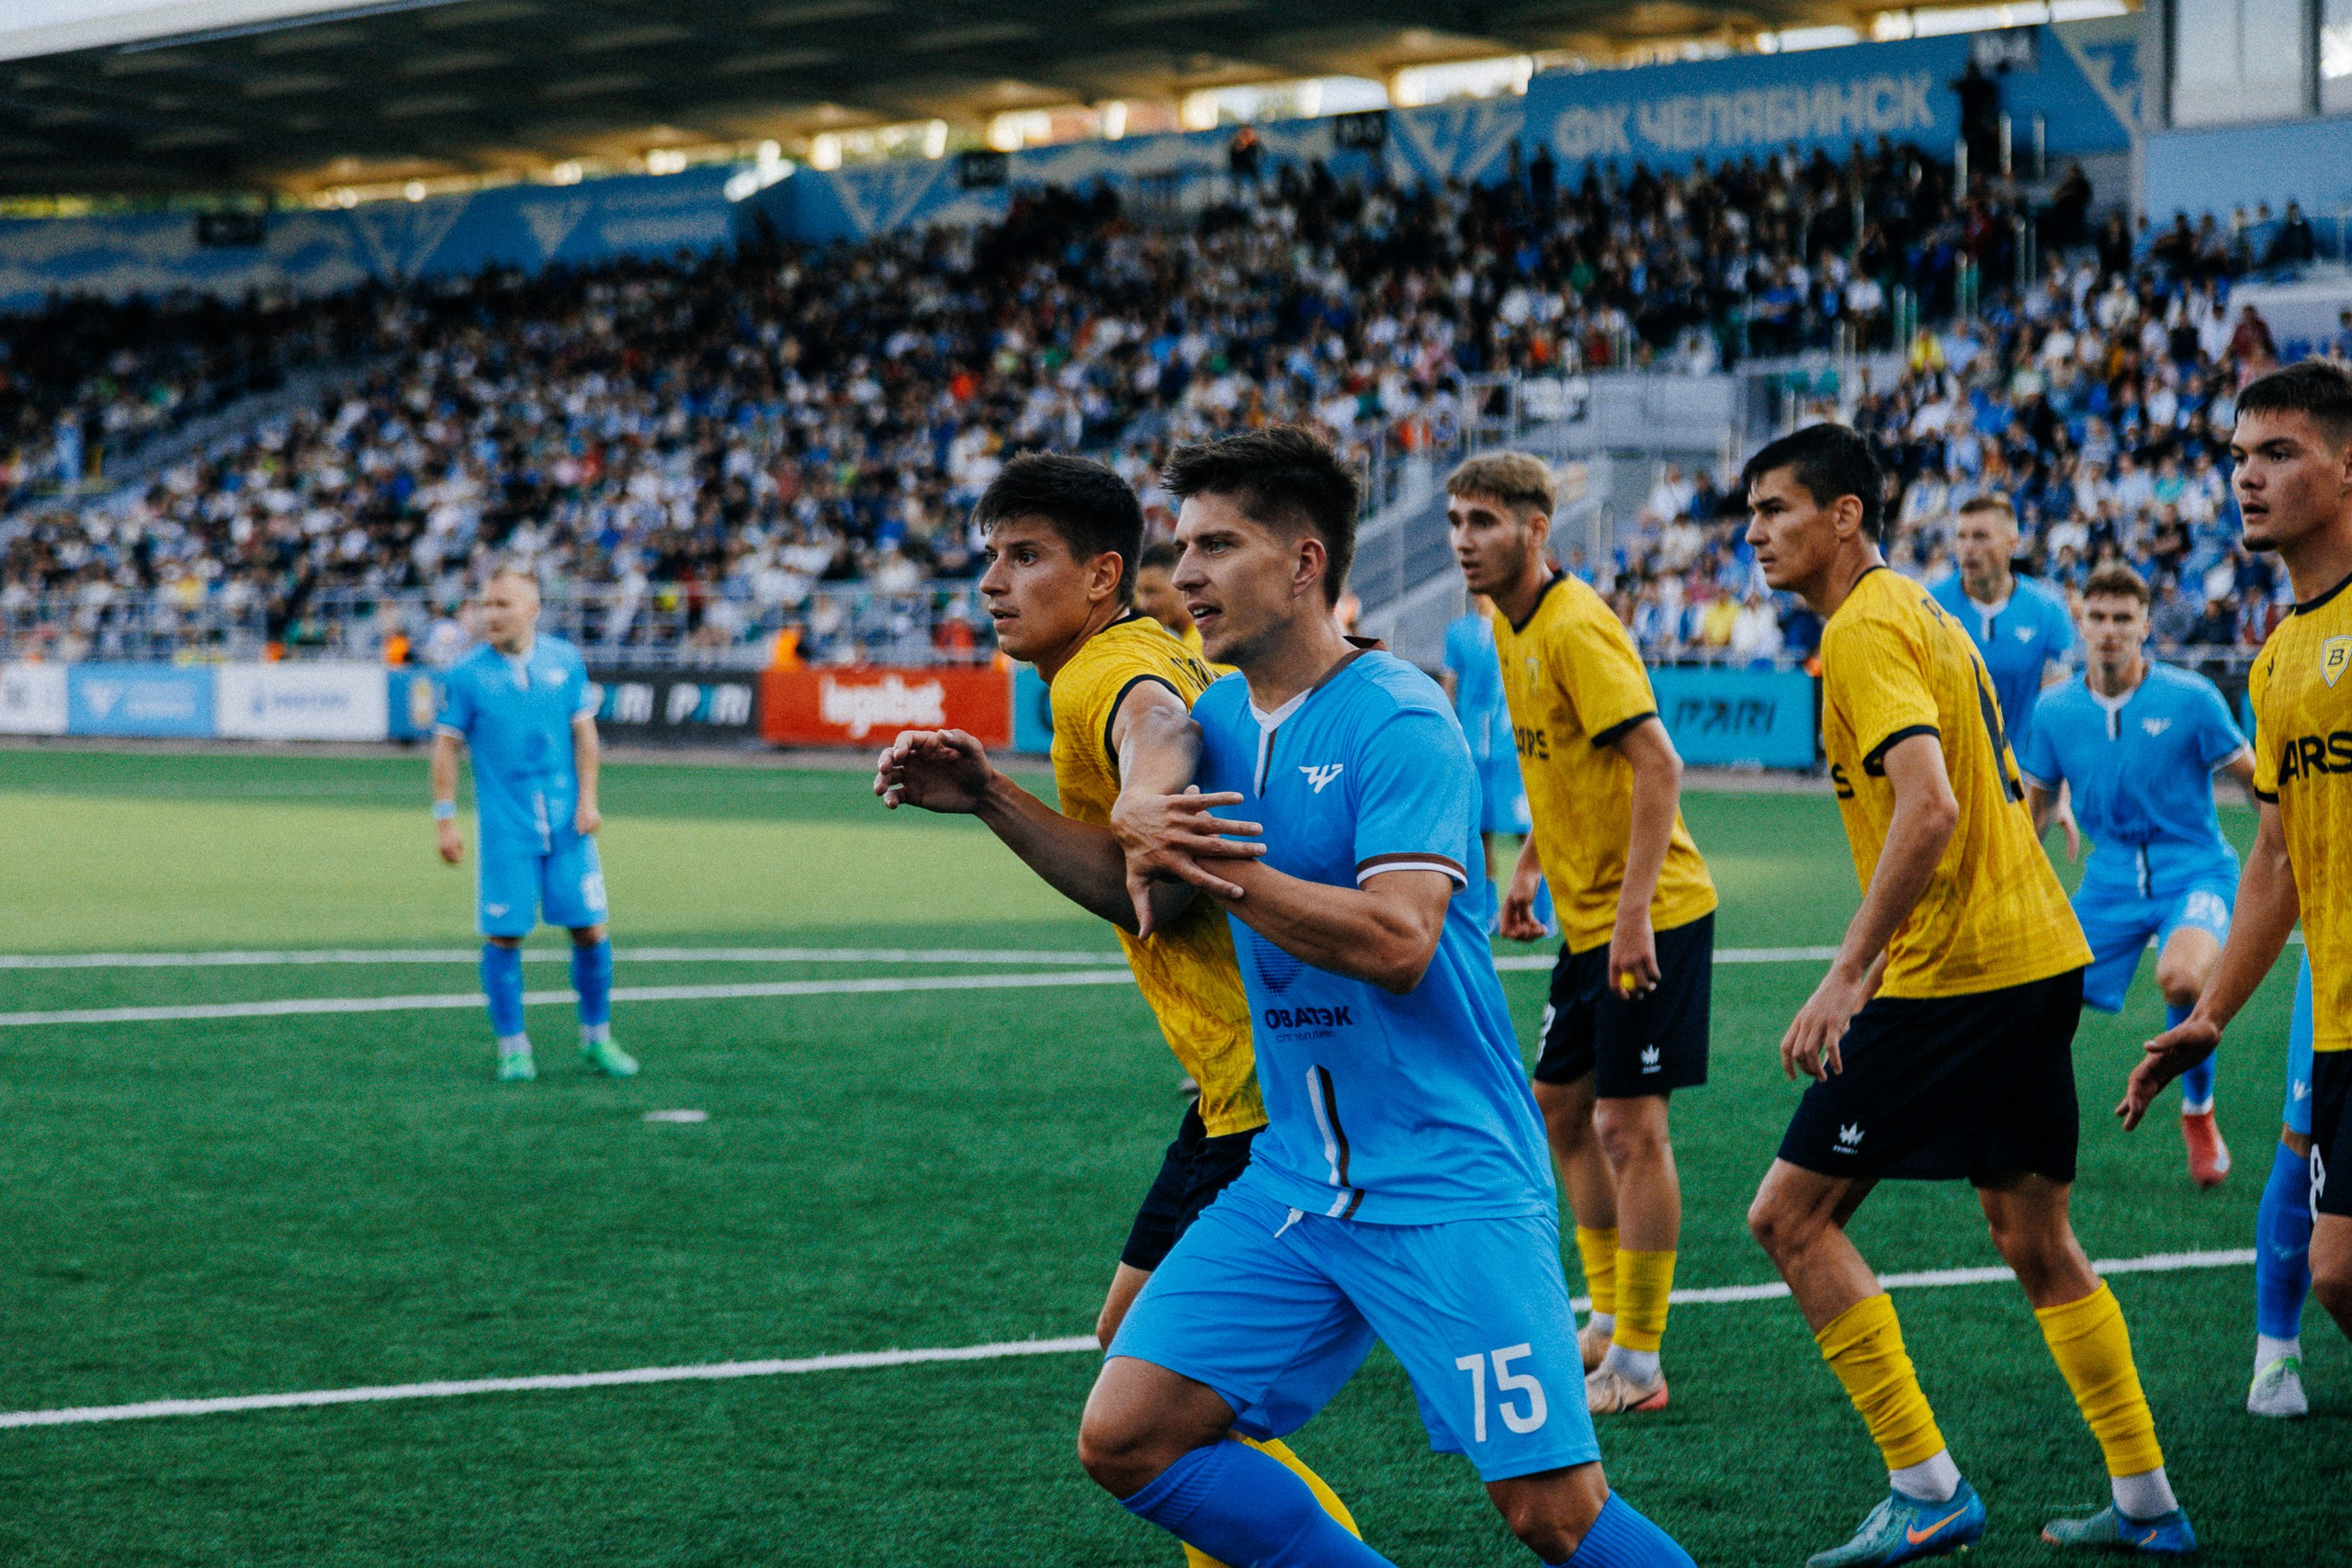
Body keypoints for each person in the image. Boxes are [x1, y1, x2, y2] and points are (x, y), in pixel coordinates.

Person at [1092, 426, 1695, 1568]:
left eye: (1218, 545)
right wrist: (989, 799)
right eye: (1182, 548)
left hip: (1444, 1174)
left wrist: (1196, 857)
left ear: (1306, 560)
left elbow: (1400, 940)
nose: (1187, 577)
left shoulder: (1399, 714)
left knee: (1552, 1513)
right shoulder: (1217, 720)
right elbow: (1143, 887)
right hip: (1300, 1182)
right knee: (1130, 1437)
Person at [872, 453, 1355, 1568]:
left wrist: (1146, 792)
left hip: (1271, 1094)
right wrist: (998, 796)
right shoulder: (1110, 659)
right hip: (1245, 1079)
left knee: (1158, 1413)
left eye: (1025, 557)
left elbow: (1156, 735)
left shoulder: (1107, 673)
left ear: (1100, 577)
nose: (994, 582)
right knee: (1140, 1354)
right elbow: (1149, 888)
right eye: (988, 557)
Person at [1742, 424, 2192, 1565]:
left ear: (1844, 515)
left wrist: (1849, 972)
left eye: (1775, 509)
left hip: (1965, 972)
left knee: (1788, 1220)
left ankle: (1925, 1486)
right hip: (2039, 955)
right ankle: (2146, 1503)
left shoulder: (1861, 628)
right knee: (2033, 1234)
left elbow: (1929, 806)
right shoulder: (1920, 612)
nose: (1752, 533)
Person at [1448, 450, 1718, 1418]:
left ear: (1534, 531)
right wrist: (1528, 868)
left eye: (1483, 522)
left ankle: (1639, 1364)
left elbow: (1658, 766)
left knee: (1628, 1127)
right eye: (1455, 521)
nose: (1462, 541)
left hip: (1653, 915)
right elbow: (1553, 766)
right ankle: (1605, 1316)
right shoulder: (1505, 624)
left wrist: (1634, 912)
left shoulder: (1573, 626)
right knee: (1559, 1108)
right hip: (1587, 918)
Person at [2129, 359, 2352, 1423]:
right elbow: (2274, 859)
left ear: (2346, 465)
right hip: (2339, 1011)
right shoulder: (2273, 664)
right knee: (2340, 1273)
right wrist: (2209, 1013)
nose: (2245, 479)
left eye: (2277, 453)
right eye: (2236, 458)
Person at [2016, 565, 2255, 1188]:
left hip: (2195, 867)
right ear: (2081, 624)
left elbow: (2258, 782)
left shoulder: (2192, 698)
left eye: (2124, 618)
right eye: (2098, 617)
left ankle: (2197, 1111)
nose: (2110, 630)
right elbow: (2035, 811)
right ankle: (2026, 1130)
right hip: (2110, 879)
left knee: (2179, 973)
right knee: (2039, 997)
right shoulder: (2054, 709)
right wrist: (2004, 886)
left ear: (2147, 625)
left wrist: (2300, 849)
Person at [430, 566, 637, 1083]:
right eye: (486, 603)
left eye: (503, 604)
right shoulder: (466, 674)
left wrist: (589, 801)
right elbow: (446, 748)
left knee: (590, 929)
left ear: (534, 608)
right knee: (504, 937)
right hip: (506, 832)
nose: (490, 614)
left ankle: (598, 1039)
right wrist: (445, 820)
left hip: (569, 827)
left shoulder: (564, 661)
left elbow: (585, 738)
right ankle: (514, 1048)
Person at [1439, 585, 1533, 931]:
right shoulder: (1458, 631)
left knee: (1525, 827)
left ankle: (1542, 904)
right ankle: (1490, 910)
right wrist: (1449, 726)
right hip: (1472, 747)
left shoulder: (1513, 626)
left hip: (1510, 746)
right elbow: (1450, 682)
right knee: (1481, 831)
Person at [1135, 538, 1205, 656]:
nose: (1143, 605)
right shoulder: (1185, 646)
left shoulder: (1204, 650)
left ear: (1183, 585)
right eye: (1140, 593)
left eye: (1152, 591)